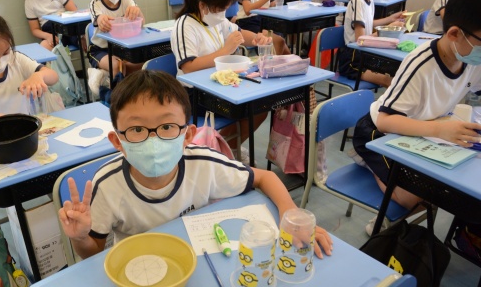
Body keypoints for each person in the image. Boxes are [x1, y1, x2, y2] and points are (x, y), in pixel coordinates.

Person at [58, 70, 333, 259]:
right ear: (117, 141)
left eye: (167, 126)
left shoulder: (203, 164)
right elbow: (92, 252)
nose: (153, 140)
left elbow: (265, 178)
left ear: (188, 135)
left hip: (198, 258)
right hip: (139, 266)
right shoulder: (106, 185)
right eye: (137, 129)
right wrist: (80, 238)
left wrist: (290, 215)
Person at [352, 0, 481, 234]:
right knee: (413, 195)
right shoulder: (421, 64)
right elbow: (386, 120)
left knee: (443, 187)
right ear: (455, 34)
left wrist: (440, 130)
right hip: (381, 131)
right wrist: (440, 131)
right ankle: (367, 159)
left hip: (426, 132)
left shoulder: (471, 59)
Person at [171, 0, 287, 158]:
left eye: (225, 8)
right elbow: (189, 67)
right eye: (220, 8)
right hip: (194, 94)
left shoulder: (216, 19)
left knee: (260, 108)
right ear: (203, 5)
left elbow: (239, 34)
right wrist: (226, 50)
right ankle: (220, 151)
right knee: (248, 109)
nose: (223, 13)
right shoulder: (185, 26)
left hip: (219, 86)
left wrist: (256, 38)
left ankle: (226, 148)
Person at [337, 0, 405, 87]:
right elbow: (361, 40)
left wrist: (390, 19)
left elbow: (367, 23)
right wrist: (388, 29)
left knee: (398, 71)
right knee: (390, 81)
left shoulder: (369, 1)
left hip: (365, 55)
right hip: (353, 60)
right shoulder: (357, 2)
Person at [87, 0, 144, 98]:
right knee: (117, 66)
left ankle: (121, 88)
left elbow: (141, 23)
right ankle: (115, 98)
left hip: (122, 49)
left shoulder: (127, 0)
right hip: (100, 50)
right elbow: (98, 18)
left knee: (140, 65)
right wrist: (101, 19)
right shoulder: (96, 4)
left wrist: (137, 11)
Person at [15, 0, 79, 50]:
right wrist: (48, 36)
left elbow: (74, 11)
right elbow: (34, 29)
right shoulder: (28, 2)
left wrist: (81, 36)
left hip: (67, 25)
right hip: (50, 32)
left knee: (84, 39)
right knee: (44, 47)